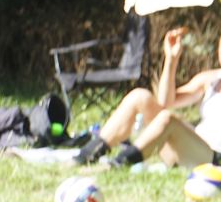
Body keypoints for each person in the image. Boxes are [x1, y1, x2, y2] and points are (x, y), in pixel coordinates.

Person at [74, 26, 221, 168]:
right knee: (140, 97)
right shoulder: (210, 80)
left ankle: (120, 163)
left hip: (214, 158)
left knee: (168, 119)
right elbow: (166, 102)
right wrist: (171, 59)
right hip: (189, 147)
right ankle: (87, 155)